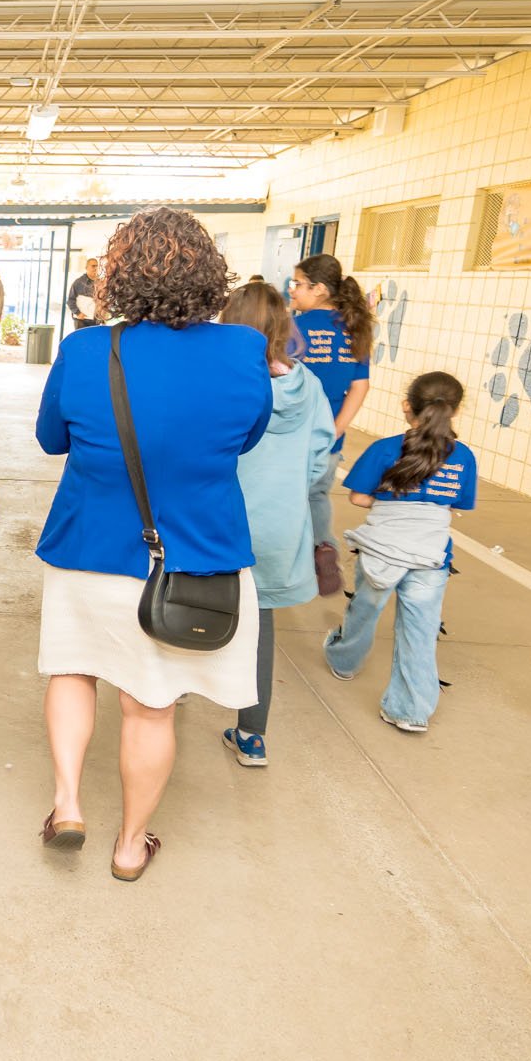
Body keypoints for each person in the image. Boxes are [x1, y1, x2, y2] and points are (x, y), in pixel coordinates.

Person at [34, 208, 270, 881]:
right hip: (192, 559)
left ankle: (68, 803)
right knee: (151, 705)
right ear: (209, 275)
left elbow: (53, 439)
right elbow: (245, 438)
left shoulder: (86, 351)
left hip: (89, 549)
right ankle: (131, 844)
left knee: (73, 670)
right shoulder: (243, 351)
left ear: (119, 276)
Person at [217, 281, 334, 767]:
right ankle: (252, 736)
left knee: (185, 602)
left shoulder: (220, 381)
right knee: (259, 629)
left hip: (218, 518)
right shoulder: (308, 387)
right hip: (279, 526)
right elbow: (319, 461)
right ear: (284, 328)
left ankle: (172, 695)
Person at [322, 372, 478, 735]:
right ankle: (409, 711)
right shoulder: (464, 456)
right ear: (455, 411)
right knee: (420, 631)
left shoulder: (385, 449)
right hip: (430, 555)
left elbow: (359, 497)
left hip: (382, 551)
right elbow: (459, 504)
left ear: (407, 405)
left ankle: (344, 661)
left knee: (365, 608)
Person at [290, 253, 374, 596]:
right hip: (329, 440)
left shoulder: (293, 328)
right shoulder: (355, 328)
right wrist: (336, 430)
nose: (292, 291)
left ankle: (288, 560)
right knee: (318, 495)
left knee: (285, 496)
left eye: (297, 284)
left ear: (319, 289)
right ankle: (324, 546)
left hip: (291, 433)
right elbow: (360, 385)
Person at [65, 256, 102, 329]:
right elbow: (70, 300)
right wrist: (78, 313)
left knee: (93, 340)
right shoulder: (78, 282)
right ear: (86, 268)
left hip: (96, 320)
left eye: (97, 266)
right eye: (93, 266)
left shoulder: (101, 283)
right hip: (81, 320)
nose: (96, 268)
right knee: (81, 340)